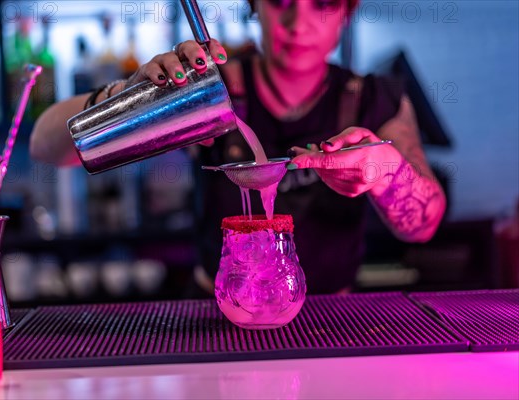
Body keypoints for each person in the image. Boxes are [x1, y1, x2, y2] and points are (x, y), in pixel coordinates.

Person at [30, 0, 446, 295]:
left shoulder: (374, 98)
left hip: (330, 321)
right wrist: (131, 97)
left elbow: (423, 224)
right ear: (254, 5)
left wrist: (387, 172)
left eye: (322, 2)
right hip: (215, 319)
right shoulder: (210, 91)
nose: (298, 23)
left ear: (346, 10)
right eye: (281, 1)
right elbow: (45, 145)